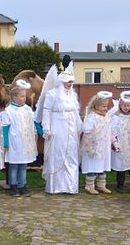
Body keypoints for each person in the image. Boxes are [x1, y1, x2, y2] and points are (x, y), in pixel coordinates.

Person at [35, 64, 82, 195]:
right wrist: (47, 129)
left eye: (72, 82)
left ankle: (70, 186)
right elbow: (46, 112)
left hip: (71, 129)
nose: (70, 84)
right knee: (58, 154)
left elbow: (76, 113)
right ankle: (55, 186)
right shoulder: (52, 94)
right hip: (57, 127)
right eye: (67, 81)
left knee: (71, 155)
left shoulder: (72, 94)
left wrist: (79, 126)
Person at [1, 80, 41, 197]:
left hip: (25, 142)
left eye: (25, 96)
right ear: (14, 97)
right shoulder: (8, 111)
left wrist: (40, 132)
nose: (24, 99)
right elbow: (5, 127)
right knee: (14, 165)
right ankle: (13, 186)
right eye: (22, 96)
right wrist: (5, 142)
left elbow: (34, 122)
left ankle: (22, 185)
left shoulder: (27, 109)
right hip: (15, 142)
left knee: (23, 165)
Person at [79, 91, 116, 195]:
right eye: (103, 106)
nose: (105, 108)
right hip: (93, 145)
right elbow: (86, 129)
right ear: (96, 106)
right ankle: (89, 185)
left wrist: (113, 141)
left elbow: (110, 130)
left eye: (106, 106)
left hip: (104, 146)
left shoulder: (107, 116)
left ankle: (101, 185)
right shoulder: (92, 116)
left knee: (102, 165)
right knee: (93, 165)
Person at [110, 91, 130, 195]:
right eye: (124, 105)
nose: (126, 107)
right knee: (120, 165)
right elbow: (113, 130)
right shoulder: (116, 117)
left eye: (128, 105)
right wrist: (115, 142)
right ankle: (120, 185)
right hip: (121, 143)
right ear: (120, 105)